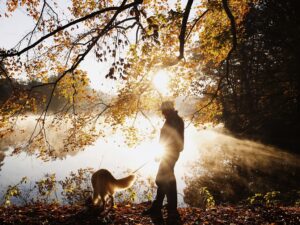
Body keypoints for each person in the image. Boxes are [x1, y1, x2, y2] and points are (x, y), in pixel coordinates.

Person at [143, 101, 184, 223]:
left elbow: (170, 139)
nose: (162, 113)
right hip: (169, 153)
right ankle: (159, 207)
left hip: (171, 154)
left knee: (163, 179)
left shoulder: (174, 120)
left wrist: (161, 153)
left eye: (163, 110)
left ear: (168, 110)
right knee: (165, 179)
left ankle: (170, 209)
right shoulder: (172, 119)